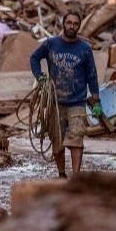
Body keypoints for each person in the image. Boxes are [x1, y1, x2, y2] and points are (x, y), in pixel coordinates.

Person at [29, 11, 101, 178]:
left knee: (77, 140)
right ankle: (62, 174)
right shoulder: (51, 44)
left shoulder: (85, 49)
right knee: (57, 141)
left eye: (75, 24)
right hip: (56, 101)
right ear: (63, 23)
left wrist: (96, 100)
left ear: (79, 26)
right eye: (69, 23)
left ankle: (76, 177)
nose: (72, 26)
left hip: (77, 102)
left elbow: (92, 74)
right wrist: (40, 77)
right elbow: (34, 58)